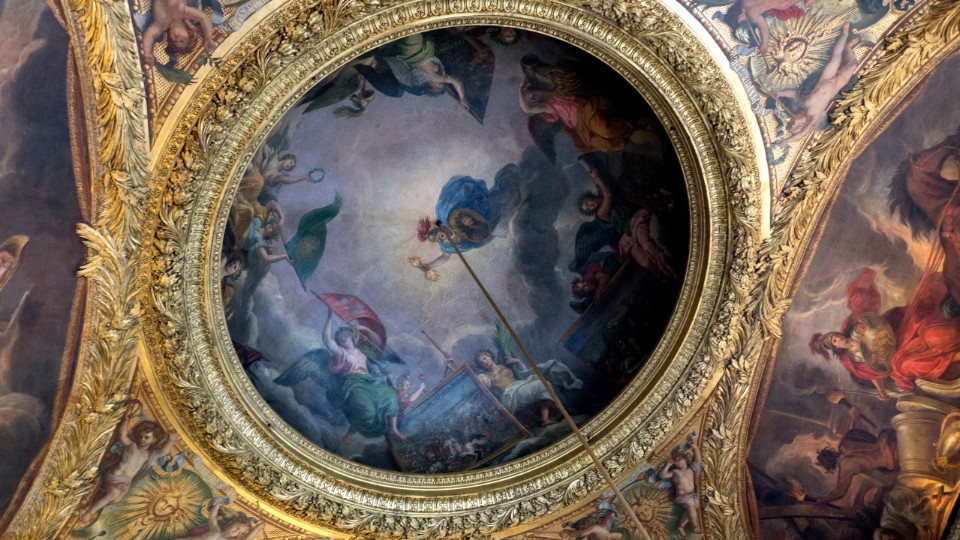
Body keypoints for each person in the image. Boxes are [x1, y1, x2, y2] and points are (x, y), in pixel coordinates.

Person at [77, 407, 179, 524]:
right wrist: (126, 418)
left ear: (154, 440)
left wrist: (171, 441)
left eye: (147, 437)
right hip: (117, 475)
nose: (142, 439)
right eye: (141, 436)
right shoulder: (131, 446)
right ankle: (88, 513)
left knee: (115, 500)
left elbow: (163, 452)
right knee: (112, 495)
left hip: (127, 481)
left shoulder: (148, 454)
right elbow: (122, 435)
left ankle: (87, 508)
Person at [322, 307, 404, 444]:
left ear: (351, 336)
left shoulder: (362, 350)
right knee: (367, 413)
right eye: (340, 336)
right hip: (354, 384)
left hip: (369, 381)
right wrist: (329, 318)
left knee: (390, 396)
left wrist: (365, 329)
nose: (342, 337)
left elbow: (378, 343)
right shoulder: (340, 352)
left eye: (345, 334)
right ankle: (349, 433)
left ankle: (394, 429)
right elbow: (327, 340)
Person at [777, 23, 860, 144]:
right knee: (853, 65)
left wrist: (779, 93)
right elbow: (800, 135)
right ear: (801, 125)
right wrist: (785, 141)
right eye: (793, 123)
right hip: (835, 87)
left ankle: (844, 34)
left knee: (836, 58)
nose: (792, 119)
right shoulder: (812, 118)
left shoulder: (804, 104)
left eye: (790, 121)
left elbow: (794, 94)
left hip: (825, 79)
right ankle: (848, 48)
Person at [473, 350, 582, 427]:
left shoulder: (503, 366)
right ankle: (545, 419)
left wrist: (518, 361)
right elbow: (483, 384)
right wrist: (478, 378)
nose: (485, 362)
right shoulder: (486, 376)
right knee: (540, 385)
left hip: (518, 385)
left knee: (544, 383)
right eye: (482, 362)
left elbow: (525, 373)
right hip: (510, 393)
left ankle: (545, 419)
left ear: (490, 356)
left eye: (485, 358)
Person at [814, 406, 898, 505]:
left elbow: (840, 492)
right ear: (831, 452)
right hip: (888, 440)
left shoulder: (846, 466)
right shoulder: (845, 444)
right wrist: (855, 415)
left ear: (831, 465)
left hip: (891, 460)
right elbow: (855, 430)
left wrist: (824, 500)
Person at [723, 0, 817, 54]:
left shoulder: (751, 13)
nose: (744, 21)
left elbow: (764, 27)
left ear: (739, 16)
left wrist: (764, 44)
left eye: (741, 21)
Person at [141, 0, 217, 66]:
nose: (177, 39)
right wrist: (208, 38)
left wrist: (148, 52)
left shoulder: (161, 24)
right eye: (182, 40)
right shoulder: (184, 12)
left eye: (175, 42)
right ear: (188, 32)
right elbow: (203, 18)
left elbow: (149, 34)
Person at [659, 443, 703, 537]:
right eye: (676, 461)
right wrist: (668, 465)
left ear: (685, 459)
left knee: (695, 506)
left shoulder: (691, 469)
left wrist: (695, 449)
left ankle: (681, 526)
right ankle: (694, 527)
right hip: (682, 496)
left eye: (680, 460)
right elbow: (662, 475)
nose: (678, 462)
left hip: (692, 495)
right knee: (691, 504)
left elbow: (698, 461)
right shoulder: (675, 472)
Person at [175, 501, 265, 539]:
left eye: (239, 533)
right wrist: (217, 506)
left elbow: (248, 539)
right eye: (237, 528)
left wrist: (258, 528)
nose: (236, 532)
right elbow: (212, 517)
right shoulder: (216, 530)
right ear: (232, 523)